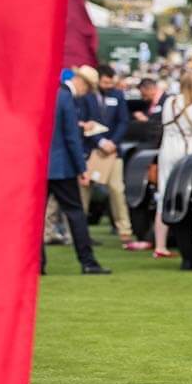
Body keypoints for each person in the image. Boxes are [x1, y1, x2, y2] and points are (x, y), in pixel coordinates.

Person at [44, 71, 111, 275]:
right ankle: (87, 261)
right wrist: (82, 168)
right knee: (75, 214)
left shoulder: (49, 93)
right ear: (80, 82)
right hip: (62, 167)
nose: (86, 92)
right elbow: (71, 137)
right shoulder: (65, 98)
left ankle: (37, 263)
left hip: (41, 165)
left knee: (36, 218)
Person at [73, 65, 145, 249]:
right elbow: (83, 121)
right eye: (105, 82)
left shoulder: (118, 95)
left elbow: (123, 121)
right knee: (84, 191)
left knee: (117, 189)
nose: (108, 85)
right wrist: (100, 141)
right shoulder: (87, 95)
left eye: (110, 82)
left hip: (113, 151)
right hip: (91, 150)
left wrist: (112, 142)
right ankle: (80, 233)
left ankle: (125, 231)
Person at [153, 71, 192, 260]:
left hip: (167, 149)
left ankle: (160, 244)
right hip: (187, 148)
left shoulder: (170, 102)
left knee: (163, 194)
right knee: (190, 193)